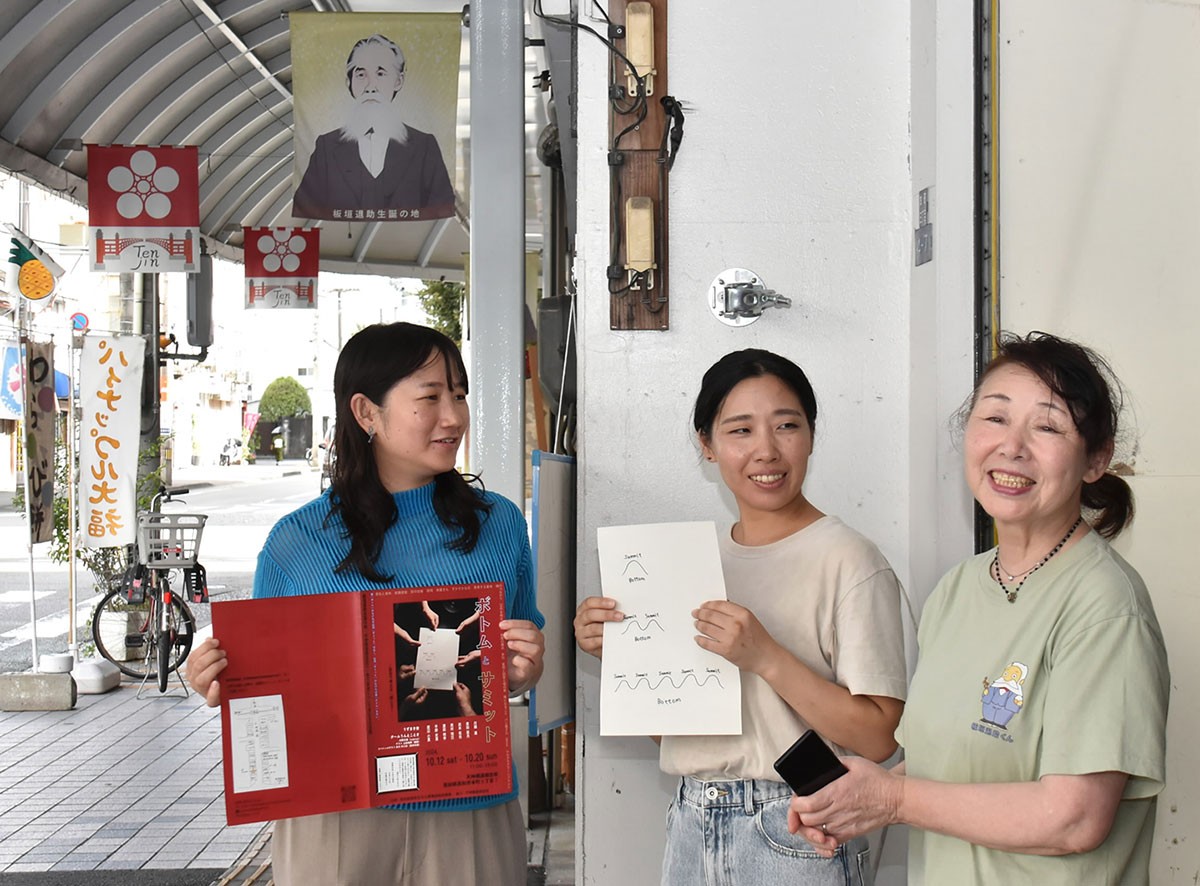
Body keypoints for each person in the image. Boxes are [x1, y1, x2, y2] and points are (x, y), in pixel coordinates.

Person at [788, 332, 1170, 885]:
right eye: (995, 418)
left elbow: (1075, 817)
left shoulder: (1105, 607)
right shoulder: (957, 589)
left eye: (1047, 426)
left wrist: (892, 798)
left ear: (1096, 459)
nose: (1012, 447)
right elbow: (943, 770)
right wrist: (857, 795)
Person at [186, 322, 546, 886]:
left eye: (459, 395)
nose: (453, 416)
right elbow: (267, 688)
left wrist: (523, 667)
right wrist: (217, 678)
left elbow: (517, 663)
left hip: (466, 805)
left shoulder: (497, 524)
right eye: (430, 398)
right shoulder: (296, 542)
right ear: (367, 413)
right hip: (335, 817)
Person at [574, 349, 909, 885]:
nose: (766, 450)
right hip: (691, 820)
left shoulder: (850, 559)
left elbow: (879, 739)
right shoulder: (690, 563)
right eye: (740, 430)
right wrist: (624, 660)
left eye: (786, 425)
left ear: (812, 435)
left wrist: (767, 658)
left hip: (797, 828)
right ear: (707, 445)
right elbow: (686, 735)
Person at [292, 33, 456, 221]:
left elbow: (443, 214)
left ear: (398, 81)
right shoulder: (327, 148)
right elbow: (305, 211)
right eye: (361, 75)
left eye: (380, 74)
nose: (370, 87)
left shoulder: (424, 146)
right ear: (349, 83)